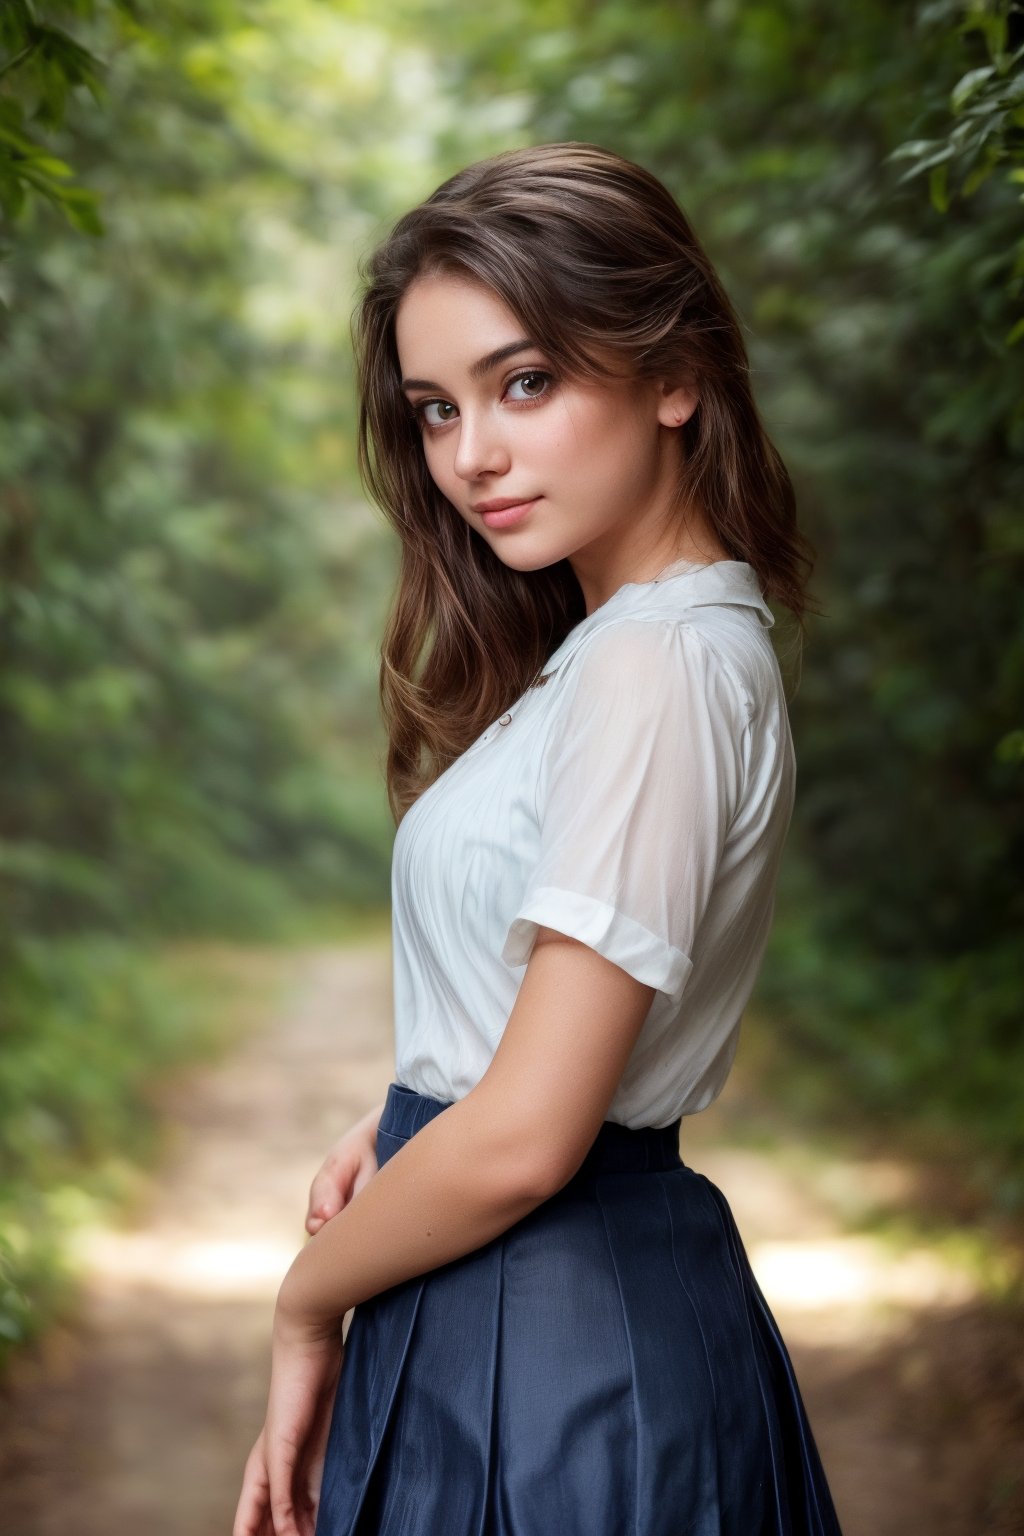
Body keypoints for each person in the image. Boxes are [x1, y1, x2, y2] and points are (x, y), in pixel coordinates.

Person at [232, 141, 845, 1536]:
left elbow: (529, 1137)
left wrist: (304, 1306)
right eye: (435, 410)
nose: (472, 458)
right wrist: (412, 1113)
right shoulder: (627, 653)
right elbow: (537, 1059)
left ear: (675, 374)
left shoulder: (658, 666)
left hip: (561, 1354)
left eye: (526, 384)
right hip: (528, 1322)